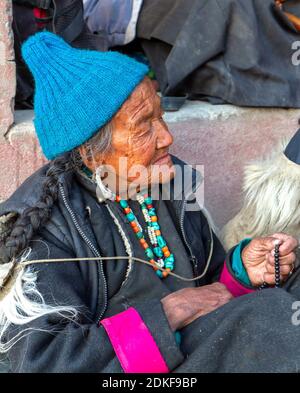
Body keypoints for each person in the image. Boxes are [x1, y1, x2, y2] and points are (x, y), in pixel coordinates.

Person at [0, 32, 298, 373]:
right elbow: (45, 360)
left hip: (203, 348)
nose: (167, 137)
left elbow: (211, 288)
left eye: (161, 117)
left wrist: (243, 272)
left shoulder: (165, 186)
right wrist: (170, 311)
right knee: (267, 317)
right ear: (90, 152)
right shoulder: (45, 228)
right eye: (144, 128)